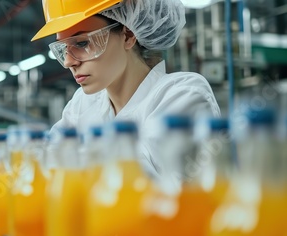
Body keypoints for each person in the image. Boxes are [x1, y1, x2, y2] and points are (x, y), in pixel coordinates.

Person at [32, 0, 221, 177]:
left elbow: (158, 193)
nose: (68, 62)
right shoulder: (83, 103)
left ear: (128, 35)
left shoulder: (183, 95)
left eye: (82, 43)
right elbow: (46, 167)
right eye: (63, 49)